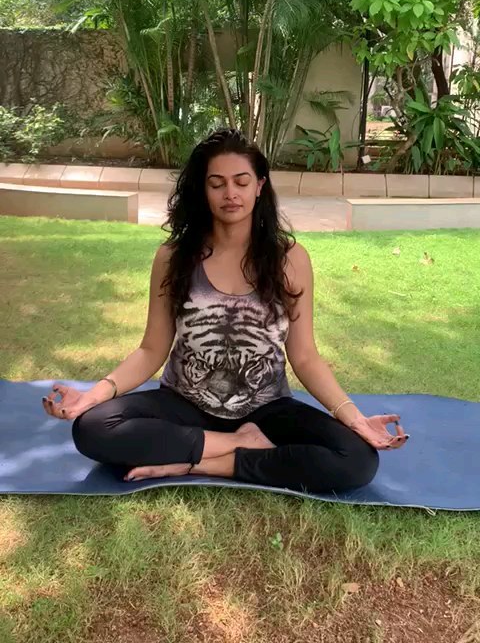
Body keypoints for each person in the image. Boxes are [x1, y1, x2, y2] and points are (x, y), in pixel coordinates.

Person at [42, 129, 408, 494]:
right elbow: (151, 350)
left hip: (264, 408)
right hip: (185, 402)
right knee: (92, 428)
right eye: (217, 184)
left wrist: (355, 419)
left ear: (259, 186)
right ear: (203, 190)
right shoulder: (173, 257)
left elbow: (305, 356)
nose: (230, 193)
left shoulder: (290, 259)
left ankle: (203, 462)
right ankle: (238, 445)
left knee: (357, 458)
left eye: (241, 182)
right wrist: (93, 395)